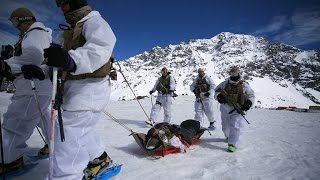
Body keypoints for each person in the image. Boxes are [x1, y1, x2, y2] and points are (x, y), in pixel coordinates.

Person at [44, 0, 117, 179]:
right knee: (79, 130)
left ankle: (66, 176)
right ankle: (99, 159)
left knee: (67, 137)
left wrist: (71, 60)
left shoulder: (95, 22)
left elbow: (100, 49)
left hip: (90, 89)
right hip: (72, 89)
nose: (61, 7)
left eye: (63, 2)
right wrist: (40, 69)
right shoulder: (67, 32)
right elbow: (54, 62)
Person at [0, 7, 52, 174]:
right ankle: (55, 146)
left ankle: (9, 160)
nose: (15, 26)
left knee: (15, 123)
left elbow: (34, 56)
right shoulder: (35, 34)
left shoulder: (35, 33)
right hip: (37, 87)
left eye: (16, 22)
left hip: (32, 87)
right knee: (44, 120)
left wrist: (8, 65)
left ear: (24, 19)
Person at [214, 66, 255, 152]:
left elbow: (251, 95)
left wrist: (248, 103)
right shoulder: (224, 84)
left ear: (238, 73)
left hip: (238, 108)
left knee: (235, 126)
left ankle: (232, 144)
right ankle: (228, 137)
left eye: (235, 73)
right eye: (231, 73)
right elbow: (216, 92)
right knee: (225, 127)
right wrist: (219, 97)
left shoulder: (244, 85)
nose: (233, 75)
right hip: (225, 108)